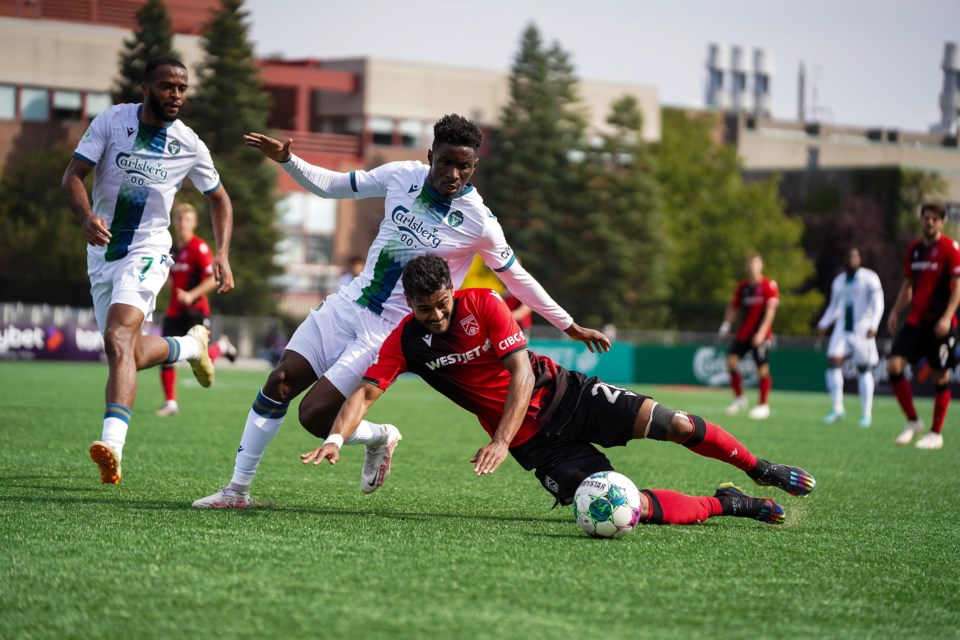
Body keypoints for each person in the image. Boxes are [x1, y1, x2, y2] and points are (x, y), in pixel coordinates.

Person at [192, 114, 609, 508]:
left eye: (463, 167)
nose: (452, 174)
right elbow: (332, 186)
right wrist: (289, 160)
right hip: (348, 304)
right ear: (430, 156)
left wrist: (568, 324)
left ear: (474, 166)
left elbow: (517, 277)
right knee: (279, 381)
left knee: (316, 417)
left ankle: (378, 436)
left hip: (388, 331)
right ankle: (236, 490)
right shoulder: (401, 176)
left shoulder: (479, 221)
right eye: (445, 162)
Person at [301, 255, 816, 528]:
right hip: (538, 446)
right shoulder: (405, 340)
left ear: (451, 292)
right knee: (625, 507)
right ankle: (729, 504)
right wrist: (338, 439)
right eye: (423, 308)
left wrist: (499, 439)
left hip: (568, 395)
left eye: (441, 304)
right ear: (409, 303)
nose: (434, 316)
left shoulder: (485, 305)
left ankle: (759, 469)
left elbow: (522, 374)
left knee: (677, 425)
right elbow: (366, 394)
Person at [61, 56, 234, 484]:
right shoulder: (112, 122)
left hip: (149, 249)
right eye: (166, 86)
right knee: (130, 354)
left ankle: (112, 447)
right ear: (145, 88)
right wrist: (86, 217)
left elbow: (220, 199)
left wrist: (223, 254)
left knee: (117, 336)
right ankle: (192, 348)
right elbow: (72, 176)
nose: (175, 95)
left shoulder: (189, 143)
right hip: (103, 251)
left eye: (181, 88)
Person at [887, 203, 960, 450]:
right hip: (915, 321)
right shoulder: (914, 250)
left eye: (934, 219)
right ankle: (913, 420)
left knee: (940, 375)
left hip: (940, 323)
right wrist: (896, 311)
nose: (929, 222)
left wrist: (947, 316)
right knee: (894, 365)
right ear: (922, 221)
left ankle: (936, 433)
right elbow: (908, 285)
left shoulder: (951, 249)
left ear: (941, 222)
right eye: (926, 218)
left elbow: (958, 286)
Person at [156, 202, 238, 417]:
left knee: (202, 360)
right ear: (174, 222)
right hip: (174, 311)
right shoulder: (170, 249)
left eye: (187, 219)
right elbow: (169, 279)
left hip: (196, 311)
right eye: (179, 219)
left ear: (194, 223)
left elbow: (214, 278)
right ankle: (171, 403)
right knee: (165, 356)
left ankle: (222, 346)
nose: (183, 223)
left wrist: (191, 295)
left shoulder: (199, 247)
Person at [816, 248, 884, 427]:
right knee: (833, 362)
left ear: (860, 259)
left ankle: (866, 414)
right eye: (848, 256)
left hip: (862, 329)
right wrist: (824, 323)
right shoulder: (838, 281)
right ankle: (837, 408)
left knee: (864, 369)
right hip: (842, 329)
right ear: (844, 260)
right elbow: (834, 306)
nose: (852, 259)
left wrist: (874, 325)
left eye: (855, 256)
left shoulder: (870, 278)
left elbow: (879, 303)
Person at [719, 253, 779, 419]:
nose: (753, 266)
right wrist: (726, 325)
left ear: (761, 266)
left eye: (756, 263)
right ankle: (739, 399)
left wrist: (761, 333)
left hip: (761, 335)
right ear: (747, 266)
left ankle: (763, 405)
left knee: (762, 369)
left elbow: (770, 312)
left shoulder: (769, 286)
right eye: (750, 263)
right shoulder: (743, 287)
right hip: (744, 333)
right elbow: (733, 308)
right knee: (731, 362)